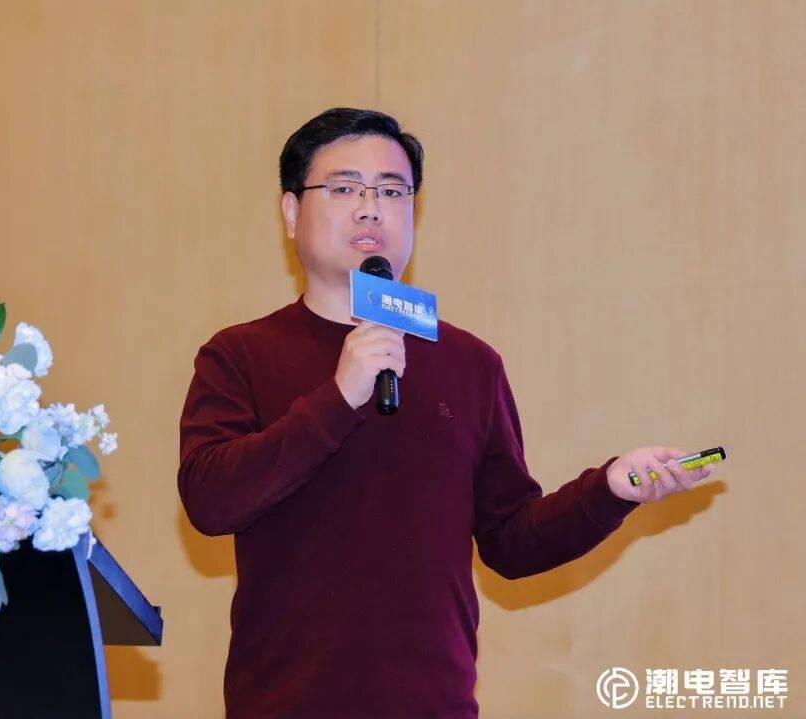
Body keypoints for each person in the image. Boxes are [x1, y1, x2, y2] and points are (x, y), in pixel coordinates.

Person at [177, 107, 714, 718]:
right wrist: (339, 396)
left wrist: (611, 488)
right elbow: (210, 501)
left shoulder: (469, 363)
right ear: (292, 211)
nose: (370, 209)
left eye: (392, 192)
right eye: (345, 188)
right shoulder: (239, 355)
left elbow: (511, 541)